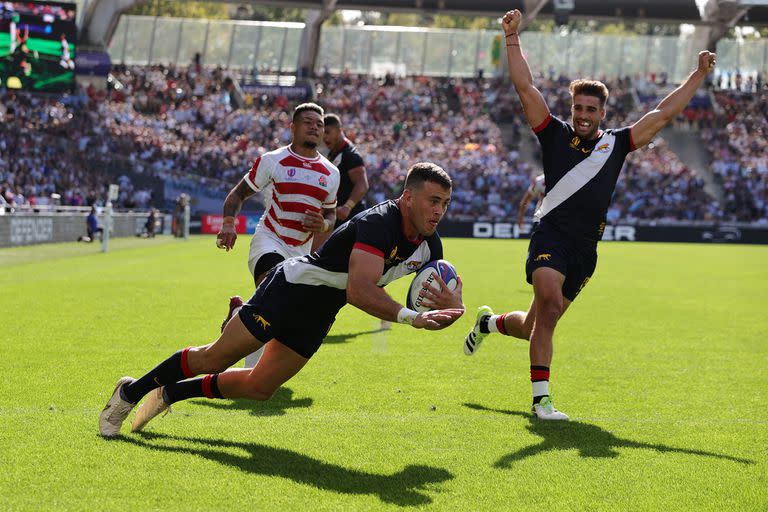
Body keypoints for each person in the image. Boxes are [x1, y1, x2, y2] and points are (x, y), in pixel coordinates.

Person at [463, 9, 717, 421]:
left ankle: (489, 324)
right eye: (578, 107)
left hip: (586, 250)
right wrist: (511, 37)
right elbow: (525, 86)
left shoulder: (617, 144)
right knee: (546, 309)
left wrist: (698, 74)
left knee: (533, 324)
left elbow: (664, 114)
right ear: (572, 107)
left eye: (590, 109)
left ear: (603, 113)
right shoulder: (553, 133)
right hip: (551, 238)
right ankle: (541, 401)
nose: (582, 114)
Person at [99, 162, 465, 437]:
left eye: (445, 203)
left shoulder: (431, 246)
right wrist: (408, 317)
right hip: (290, 290)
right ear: (408, 197)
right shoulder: (379, 224)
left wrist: (452, 307)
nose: (438, 211)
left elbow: (433, 298)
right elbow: (359, 290)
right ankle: (129, 392)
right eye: (433, 201)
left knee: (260, 387)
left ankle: (172, 393)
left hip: (320, 313)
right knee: (216, 357)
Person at [217, 103, 340, 368]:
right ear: (293, 127)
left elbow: (331, 216)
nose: (314, 127)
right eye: (308, 122)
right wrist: (229, 223)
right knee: (272, 298)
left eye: (319, 124)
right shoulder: (273, 160)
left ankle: (239, 313)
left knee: (287, 315)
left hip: (301, 251)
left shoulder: (331, 173)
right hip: (270, 239)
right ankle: (249, 376)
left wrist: (323, 225)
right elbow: (238, 194)